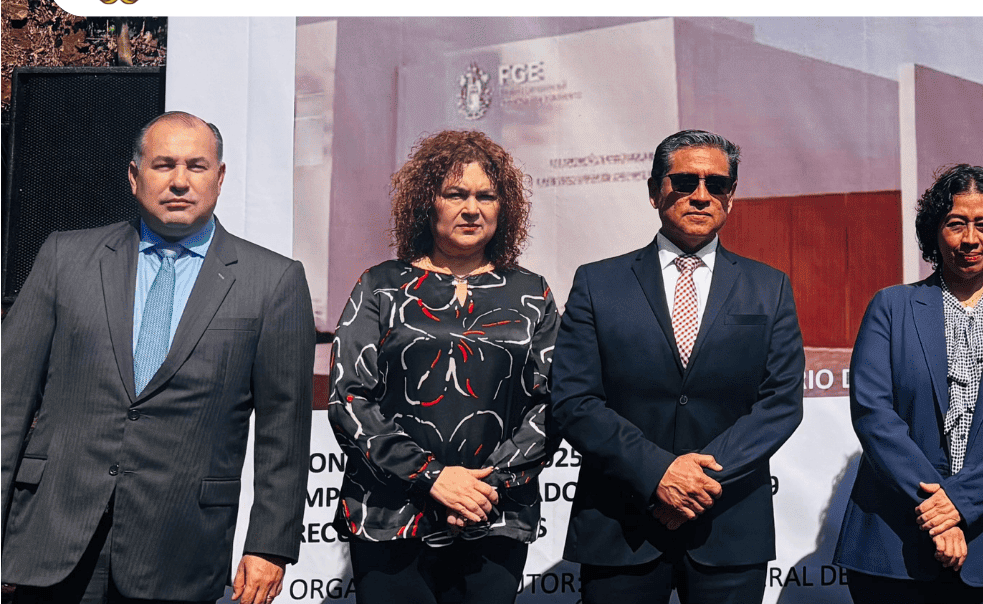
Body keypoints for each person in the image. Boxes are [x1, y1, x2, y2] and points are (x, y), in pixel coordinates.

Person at [2, 111, 314, 604]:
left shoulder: (273, 281)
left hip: (181, 549)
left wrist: (269, 545)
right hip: (51, 540)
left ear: (220, 177)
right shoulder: (65, 258)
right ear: (134, 176)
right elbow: (8, 403)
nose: (180, 181)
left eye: (196, 166)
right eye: (164, 165)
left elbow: (285, 431)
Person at [552, 129, 804, 604]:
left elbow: (781, 404)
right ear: (654, 191)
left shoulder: (769, 288)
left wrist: (698, 482)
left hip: (729, 529)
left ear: (731, 197)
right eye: (685, 182)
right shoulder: (597, 284)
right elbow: (574, 401)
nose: (701, 195)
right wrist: (658, 474)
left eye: (717, 184)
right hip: (621, 527)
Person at [329, 130, 559, 603]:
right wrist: (433, 477)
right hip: (391, 516)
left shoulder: (532, 293)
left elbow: (554, 404)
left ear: (504, 207)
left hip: (493, 516)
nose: (471, 208)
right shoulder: (380, 286)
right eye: (456, 194)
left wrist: (481, 488)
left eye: (485, 196)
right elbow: (349, 398)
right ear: (426, 203)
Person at [834, 165, 983, 604]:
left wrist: (960, 502)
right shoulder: (891, 307)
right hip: (894, 541)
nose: (970, 239)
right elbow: (873, 414)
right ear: (934, 232)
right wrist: (938, 510)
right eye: (956, 224)